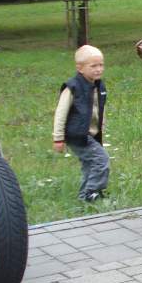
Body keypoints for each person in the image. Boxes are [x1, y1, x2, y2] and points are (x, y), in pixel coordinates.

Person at [53, 45, 109, 203]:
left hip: (90, 134)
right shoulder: (72, 87)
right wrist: (58, 138)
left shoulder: (99, 85)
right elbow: (60, 113)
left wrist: (101, 128)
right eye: (93, 66)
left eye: (101, 65)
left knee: (89, 164)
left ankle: (85, 196)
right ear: (80, 68)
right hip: (76, 134)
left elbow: (100, 109)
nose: (98, 69)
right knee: (101, 159)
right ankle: (92, 191)